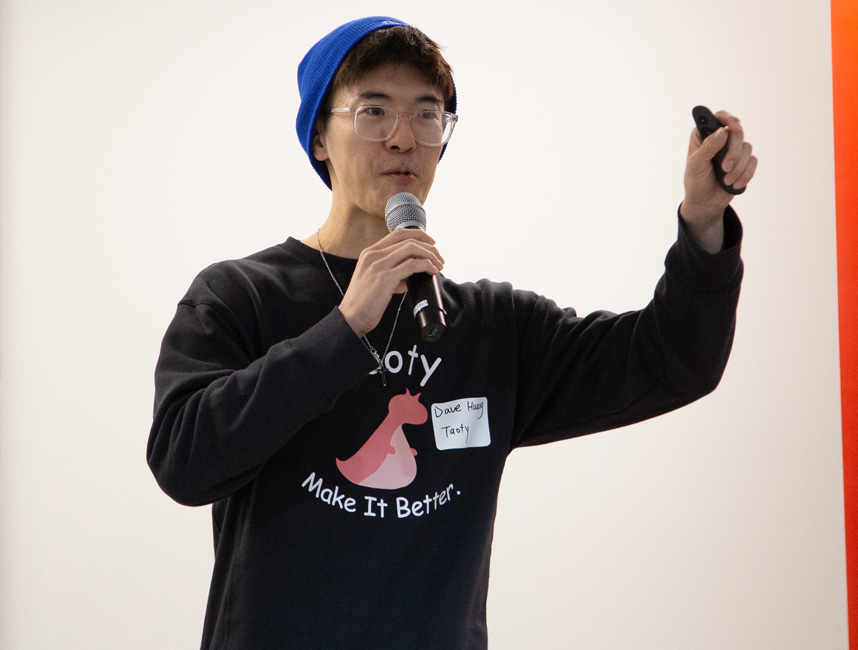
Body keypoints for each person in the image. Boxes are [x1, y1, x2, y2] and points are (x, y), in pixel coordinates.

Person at [147, 15, 756, 650]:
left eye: (427, 115)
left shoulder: (491, 329)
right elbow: (182, 461)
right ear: (320, 138)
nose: (403, 139)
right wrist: (345, 329)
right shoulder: (239, 296)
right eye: (374, 111)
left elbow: (672, 361)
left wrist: (703, 224)